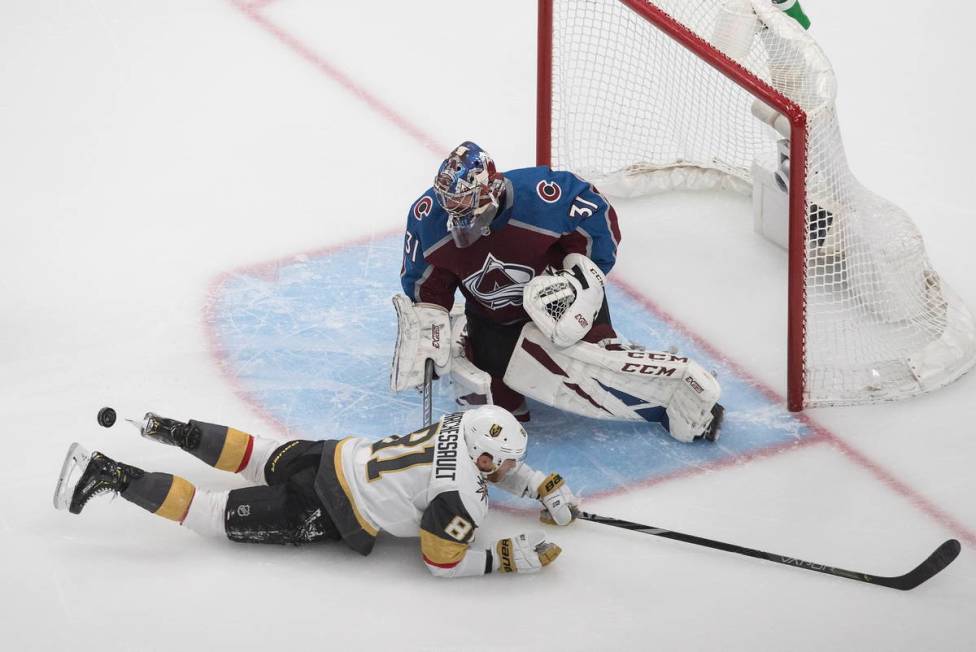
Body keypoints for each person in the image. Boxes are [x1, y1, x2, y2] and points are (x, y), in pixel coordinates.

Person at [391, 141, 724, 443]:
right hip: (493, 323)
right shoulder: (429, 217)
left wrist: (581, 280)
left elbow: (598, 225)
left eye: (464, 207)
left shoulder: (542, 194)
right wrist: (429, 323)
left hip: (561, 303)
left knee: (594, 368)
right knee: (496, 421)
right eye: (451, 207)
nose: (456, 217)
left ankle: (672, 396)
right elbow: (426, 287)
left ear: (489, 189)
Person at [53, 406, 577, 577]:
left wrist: (535, 484)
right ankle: (108, 472)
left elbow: (482, 462)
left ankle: (169, 428)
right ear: (485, 455)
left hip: (330, 454)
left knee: (255, 456)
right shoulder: (462, 495)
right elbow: (440, 559)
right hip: (325, 508)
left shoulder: (460, 421)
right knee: (210, 513)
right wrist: (506, 560)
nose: (507, 468)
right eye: (505, 462)